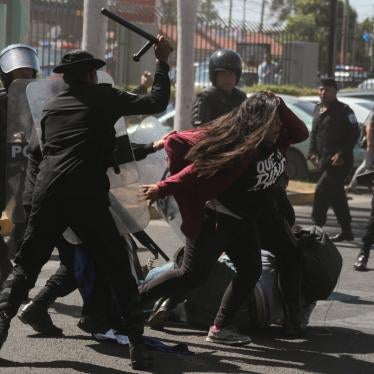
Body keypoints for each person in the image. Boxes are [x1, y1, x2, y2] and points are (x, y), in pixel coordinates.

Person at [0, 36, 172, 370]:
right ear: (92, 75)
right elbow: (157, 102)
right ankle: (138, 346)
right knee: (118, 267)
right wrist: (162, 61)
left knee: (26, 265)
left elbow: (38, 155)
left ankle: (1, 326)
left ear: (65, 78)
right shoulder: (104, 97)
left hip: (48, 193)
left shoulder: (50, 109)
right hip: (85, 194)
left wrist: (35, 205)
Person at [140, 91, 308, 344]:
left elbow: (301, 132)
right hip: (217, 218)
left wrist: (278, 104)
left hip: (245, 219)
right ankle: (129, 302)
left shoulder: (279, 141)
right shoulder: (242, 150)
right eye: (272, 120)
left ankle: (220, 327)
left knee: (250, 270)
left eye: (278, 120)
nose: (278, 125)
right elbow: (195, 172)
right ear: (258, 122)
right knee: (190, 274)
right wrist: (162, 188)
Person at [0, 44, 40, 283]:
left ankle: (19, 280)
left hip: (25, 176)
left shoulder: (39, 103)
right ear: (8, 74)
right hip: (2, 173)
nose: (25, 75)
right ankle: (6, 273)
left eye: (28, 71)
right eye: (19, 71)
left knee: (26, 233)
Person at [308, 78, 360, 242]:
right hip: (324, 161)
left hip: (340, 162)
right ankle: (347, 230)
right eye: (321, 89)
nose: (323, 93)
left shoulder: (345, 110)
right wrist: (311, 152)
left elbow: (354, 134)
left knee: (321, 190)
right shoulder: (317, 109)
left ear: (335, 92)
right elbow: (314, 133)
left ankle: (317, 227)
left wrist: (342, 154)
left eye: (327, 90)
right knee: (336, 196)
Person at [191, 49, 247, 127]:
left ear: (237, 76)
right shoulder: (206, 97)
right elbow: (200, 127)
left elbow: (248, 123)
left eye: (231, 74)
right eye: (223, 74)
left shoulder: (241, 97)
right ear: (214, 75)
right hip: (212, 138)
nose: (227, 79)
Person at [346, 108, 374, 193]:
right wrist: (370, 145)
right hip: (370, 144)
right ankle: (352, 185)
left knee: (367, 165)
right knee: (366, 164)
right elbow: (369, 128)